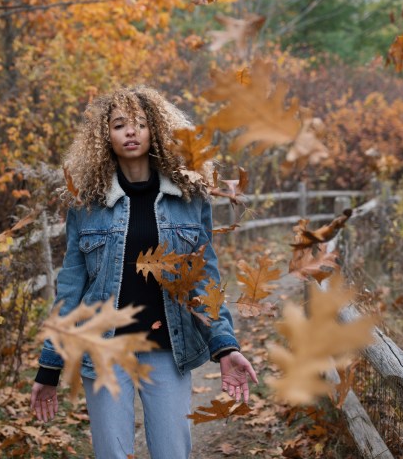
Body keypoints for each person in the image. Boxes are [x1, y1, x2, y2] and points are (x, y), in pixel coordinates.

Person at [30, 85, 258, 458]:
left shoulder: (189, 198)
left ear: (155, 130)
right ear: (105, 136)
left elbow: (204, 279)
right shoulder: (87, 204)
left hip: (167, 348)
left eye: (139, 123)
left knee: (172, 451)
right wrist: (49, 367)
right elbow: (70, 288)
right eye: (119, 125)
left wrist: (224, 345)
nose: (130, 132)